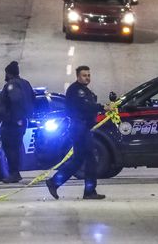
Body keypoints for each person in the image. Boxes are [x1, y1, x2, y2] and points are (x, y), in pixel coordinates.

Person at [45, 65, 112, 200]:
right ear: (78, 76)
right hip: (79, 128)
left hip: (83, 128)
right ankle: (89, 191)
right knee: (91, 159)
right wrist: (102, 107)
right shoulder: (76, 90)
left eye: (88, 75)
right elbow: (85, 107)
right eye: (84, 75)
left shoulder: (85, 90)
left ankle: (54, 182)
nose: (87, 77)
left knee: (77, 160)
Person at [0, 61, 35, 183]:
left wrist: (15, 118)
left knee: (10, 148)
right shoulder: (25, 83)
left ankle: (14, 173)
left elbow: (16, 100)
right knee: (16, 147)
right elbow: (33, 100)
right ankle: (14, 172)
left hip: (12, 123)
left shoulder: (12, 85)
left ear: (9, 73)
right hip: (21, 121)